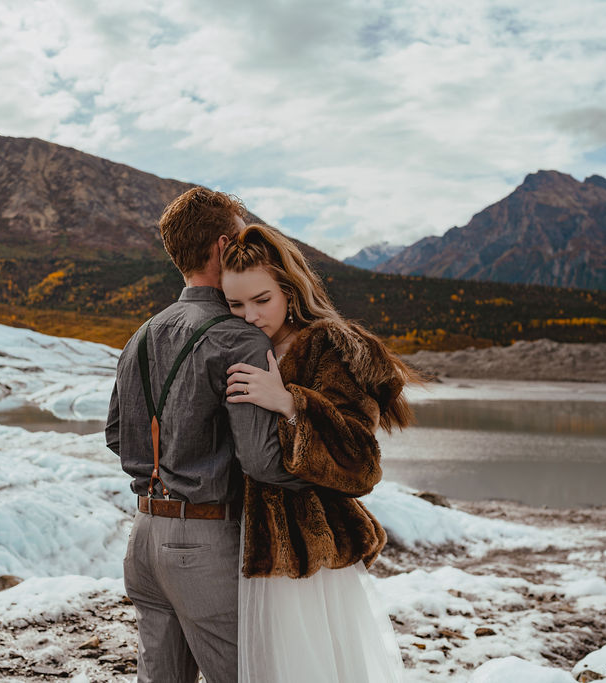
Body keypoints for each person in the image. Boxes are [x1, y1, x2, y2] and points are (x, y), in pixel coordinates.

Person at [106, 189, 311, 683]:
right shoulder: (240, 337)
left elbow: (117, 434)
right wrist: (323, 477)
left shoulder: (142, 334)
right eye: (239, 238)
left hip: (144, 540)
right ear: (222, 247)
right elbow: (262, 462)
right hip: (204, 546)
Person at [220, 223, 416, 682]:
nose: (249, 315)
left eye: (261, 300)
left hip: (305, 557)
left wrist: (291, 403)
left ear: (289, 289)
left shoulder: (329, 344)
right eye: (235, 304)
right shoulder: (237, 343)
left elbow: (360, 462)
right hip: (246, 544)